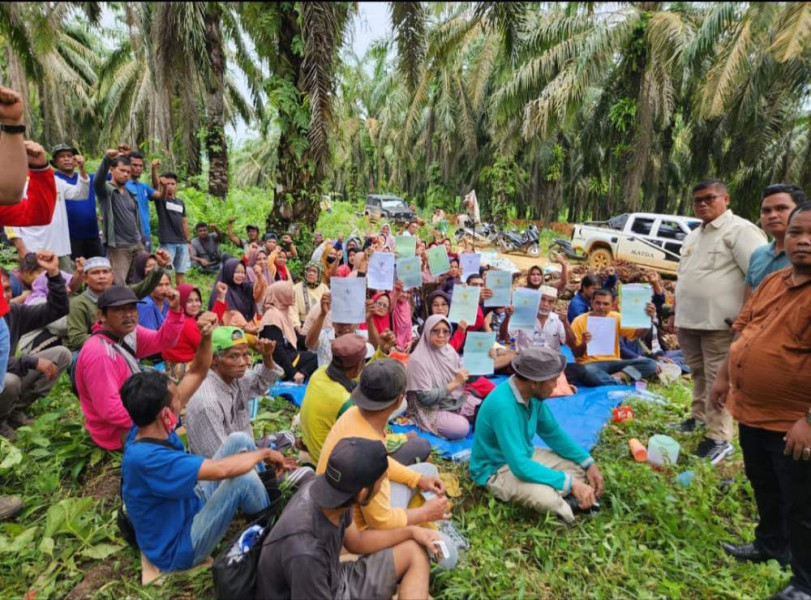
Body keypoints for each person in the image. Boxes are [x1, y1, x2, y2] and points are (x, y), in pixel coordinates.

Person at [120, 317, 293, 573]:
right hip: (179, 545)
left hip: (187, 504)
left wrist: (207, 336)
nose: (183, 397)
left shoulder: (148, 423)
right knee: (242, 479)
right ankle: (270, 524)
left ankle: (263, 497)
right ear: (165, 412)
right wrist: (265, 453)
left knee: (239, 439)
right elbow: (223, 470)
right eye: (177, 398)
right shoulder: (150, 458)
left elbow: (197, 372)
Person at [712, 203, 811, 600]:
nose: (803, 241)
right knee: (765, 485)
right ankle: (771, 545)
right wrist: (722, 378)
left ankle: (805, 583)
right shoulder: (774, 282)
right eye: (796, 233)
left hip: (794, 422)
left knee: (803, 506)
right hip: (752, 411)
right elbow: (745, 330)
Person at [256, 437, 440, 600]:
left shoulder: (331, 490)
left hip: (334, 578)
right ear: (363, 493)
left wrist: (412, 531)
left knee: (415, 551)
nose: (384, 486)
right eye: (382, 481)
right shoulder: (306, 553)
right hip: (319, 588)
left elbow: (356, 542)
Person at [317, 360, 458, 569]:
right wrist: (424, 514)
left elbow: (382, 463)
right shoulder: (368, 445)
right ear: (399, 400)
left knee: (427, 471)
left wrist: (418, 480)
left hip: (350, 516)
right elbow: (379, 521)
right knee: (449, 556)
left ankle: (423, 517)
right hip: (360, 536)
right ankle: (426, 524)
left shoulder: (355, 414)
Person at [672, 179, 767, 463]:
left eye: (709, 198)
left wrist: (747, 316)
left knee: (718, 378)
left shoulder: (739, 230)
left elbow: (760, 276)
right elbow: (684, 277)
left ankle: (719, 436)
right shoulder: (693, 235)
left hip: (720, 324)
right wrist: (675, 313)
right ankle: (699, 417)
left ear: (725, 199)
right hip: (690, 321)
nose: (702, 203)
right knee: (699, 373)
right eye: (697, 199)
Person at [470, 346, 604, 523]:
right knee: (546, 498)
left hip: (524, 455)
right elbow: (519, 466)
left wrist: (588, 463)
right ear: (534, 382)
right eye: (553, 380)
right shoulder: (503, 407)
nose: (557, 386)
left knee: (578, 469)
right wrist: (571, 484)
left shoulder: (532, 395)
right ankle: (567, 507)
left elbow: (553, 433)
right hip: (497, 469)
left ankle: (565, 495)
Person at [75, 286, 184, 450]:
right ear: (101, 316)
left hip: (134, 412)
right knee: (175, 444)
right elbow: (110, 410)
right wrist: (155, 418)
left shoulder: (129, 334)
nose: (128, 314)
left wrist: (174, 311)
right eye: (119, 310)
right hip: (116, 432)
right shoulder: (100, 354)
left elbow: (163, 341)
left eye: (132, 308)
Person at [300, 334, 429, 464]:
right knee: (421, 446)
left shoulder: (320, 373)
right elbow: (373, 442)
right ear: (358, 366)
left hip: (317, 448)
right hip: (335, 465)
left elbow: (361, 377)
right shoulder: (346, 403)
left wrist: (381, 351)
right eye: (364, 361)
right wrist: (404, 437)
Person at [0, 252, 70, 440]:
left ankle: (15, 411)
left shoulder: (13, 313)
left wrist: (54, 275)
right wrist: (31, 361)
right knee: (10, 381)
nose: (5, 295)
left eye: (7, 289)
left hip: (9, 371)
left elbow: (57, 310)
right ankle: (0, 424)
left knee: (61, 354)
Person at [185, 327, 284, 459]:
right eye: (234, 356)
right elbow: (221, 462)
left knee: (287, 438)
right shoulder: (208, 403)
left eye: (245, 355)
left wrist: (267, 356)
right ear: (214, 359)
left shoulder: (235, 379)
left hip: (245, 456)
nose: (243, 363)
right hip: (225, 473)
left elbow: (263, 379)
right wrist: (262, 457)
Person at [67, 252, 170, 352]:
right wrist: (111, 339)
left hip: (119, 347)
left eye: (105, 272)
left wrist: (159, 267)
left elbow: (144, 287)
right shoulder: (79, 304)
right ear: (85, 278)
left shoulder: (120, 294)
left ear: (112, 276)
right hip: (87, 351)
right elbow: (77, 339)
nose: (102, 276)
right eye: (95, 273)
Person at [406, 314, 481, 440]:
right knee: (462, 428)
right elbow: (426, 398)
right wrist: (455, 383)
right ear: (427, 331)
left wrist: (485, 362)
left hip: (453, 400)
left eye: (445, 331)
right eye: (436, 331)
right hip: (430, 408)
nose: (441, 335)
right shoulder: (417, 359)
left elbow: (466, 377)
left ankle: (459, 414)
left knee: (484, 409)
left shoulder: (449, 351)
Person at [570, 289, 658, 386]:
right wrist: (584, 343)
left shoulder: (616, 317)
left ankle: (616, 378)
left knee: (650, 364)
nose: (601, 307)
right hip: (590, 364)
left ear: (612, 305)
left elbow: (638, 334)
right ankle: (623, 379)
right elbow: (576, 354)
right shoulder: (579, 321)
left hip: (614, 362)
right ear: (591, 303)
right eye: (598, 303)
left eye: (606, 304)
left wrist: (648, 319)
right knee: (588, 372)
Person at [744, 184, 803, 298]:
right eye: (766, 211)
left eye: (781, 208)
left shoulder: (805, 253)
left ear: (800, 211)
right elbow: (748, 302)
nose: (772, 215)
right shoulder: (758, 254)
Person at [94, 147, 143, 285]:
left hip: (136, 243)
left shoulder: (129, 194)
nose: (126, 174)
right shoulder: (106, 190)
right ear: (112, 170)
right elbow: (97, 181)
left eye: (128, 172)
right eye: (122, 171)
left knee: (138, 281)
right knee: (118, 283)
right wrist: (107, 159)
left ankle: (136, 306)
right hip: (119, 246)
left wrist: (140, 238)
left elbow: (134, 219)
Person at [49, 144, 103, 261]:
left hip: (92, 234)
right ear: (55, 162)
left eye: (70, 156)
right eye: (62, 156)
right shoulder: (52, 180)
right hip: (68, 236)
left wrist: (113, 158)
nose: (67, 159)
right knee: (75, 271)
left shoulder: (87, 178)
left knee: (97, 267)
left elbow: (110, 174)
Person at [162, 284, 226, 381]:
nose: (195, 304)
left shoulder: (176, 316)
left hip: (172, 367)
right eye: (189, 301)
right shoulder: (187, 323)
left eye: (197, 300)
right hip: (181, 370)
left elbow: (211, 320)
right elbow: (207, 349)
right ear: (181, 301)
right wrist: (225, 353)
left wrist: (221, 297)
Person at [259, 280, 318, 383]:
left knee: (317, 353)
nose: (293, 295)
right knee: (315, 358)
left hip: (289, 354)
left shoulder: (282, 312)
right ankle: (298, 376)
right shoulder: (272, 316)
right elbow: (277, 350)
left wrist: (315, 342)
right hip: (278, 361)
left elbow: (295, 338)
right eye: (289, 292)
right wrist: (293, 373)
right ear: (281, 295)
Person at [150, 170, 189, 286]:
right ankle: (166, 297)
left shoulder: (180, 202)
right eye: (168, 183)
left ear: (176, 186)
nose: (170, 186)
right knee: (165, 273)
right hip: (168, 242)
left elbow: (184, 222)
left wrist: (188, 241)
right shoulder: (161, 199)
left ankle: (180, 298)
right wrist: (154, 169)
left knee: (181, 272)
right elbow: (155, 184)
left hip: (182, 243)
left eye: (173, 184)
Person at [124, 150, 165, 252]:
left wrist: (164, 187)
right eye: (135, 165)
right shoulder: (122, 185)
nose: (138, 168)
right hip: (128, 233)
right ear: (127, 165)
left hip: (145, 233)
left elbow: (159, 195)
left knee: (145, 265)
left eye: (141, 166)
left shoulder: (143, 187)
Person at [208, 258, 265, 324]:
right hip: (232, 331)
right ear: (228, 271)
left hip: (249, 329)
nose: (240, 275)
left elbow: (258, 292)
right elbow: (223, 317)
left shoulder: (244, 287)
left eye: (243, 272)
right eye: (236, 272)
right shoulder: (221, 290)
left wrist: (259, 276)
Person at [293, 261, 329, 328]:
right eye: (309, 271)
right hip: (303, 325)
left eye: (314, 271)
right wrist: (298, 328)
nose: (311, 273)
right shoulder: (296, 288)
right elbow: (293, 311)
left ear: (319, 274)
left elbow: (329, 310)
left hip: (322, 325)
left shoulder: (324, 288)